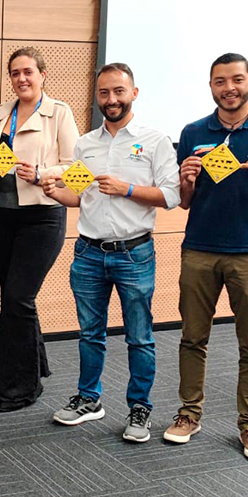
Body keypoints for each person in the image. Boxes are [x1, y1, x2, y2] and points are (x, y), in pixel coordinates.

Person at [163, 53, 248, 461]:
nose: (229, 88)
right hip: (200, 252)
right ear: (211, 87)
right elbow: (185, 203)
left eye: (237, 80)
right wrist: (186, 181)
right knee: (192, 338)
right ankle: (189, 415)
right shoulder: (192, 132)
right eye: (220, 82)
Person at [42, 63, 178, 440]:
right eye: (104, 93)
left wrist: (128, 190)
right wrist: (55, 193)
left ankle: (139, 409)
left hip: (134, 254)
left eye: (119, 91)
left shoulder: (155, 141)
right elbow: (77, 194)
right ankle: (89, 399)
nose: (111, 99)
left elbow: (172, 195)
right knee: (90, 334)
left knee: (140, 337)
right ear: (97, 97)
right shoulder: (86, 143)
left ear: (134, 93)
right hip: (88, 253)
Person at [0, 47, 80, 411]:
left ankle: (15, 387)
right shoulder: (0, 113)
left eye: (28, 72)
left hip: (41, 215)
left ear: (42, 74)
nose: (22, 78)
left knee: (18, 298)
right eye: (15, 73)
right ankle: (34, 367)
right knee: (16, 298)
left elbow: (76, 167)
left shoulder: (59, 113)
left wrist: (41, 173)